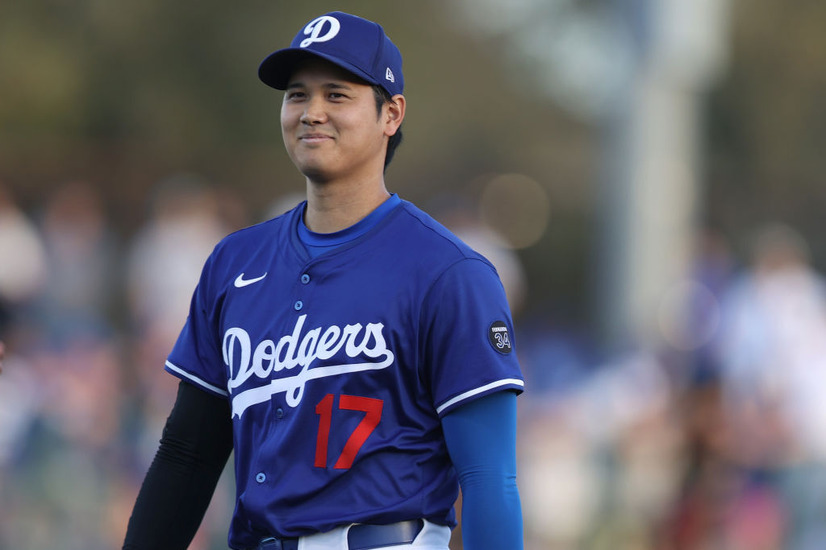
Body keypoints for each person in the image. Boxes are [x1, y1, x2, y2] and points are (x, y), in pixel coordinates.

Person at [122, 11, 524, 550]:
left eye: (337, 95)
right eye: (296, 95)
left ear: (391, 114)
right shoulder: (234, 261)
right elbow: (188, 454)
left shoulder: (449, 274)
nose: (311, 113)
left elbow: (488, 478)